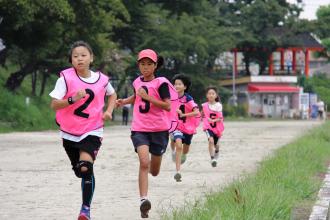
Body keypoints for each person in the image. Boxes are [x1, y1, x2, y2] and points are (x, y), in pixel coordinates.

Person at [49, 41, 117, 220]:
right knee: (80, 171)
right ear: (71, 60)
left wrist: (109, 111)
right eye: (75, 56)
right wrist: (72, 99)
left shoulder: (102, 79)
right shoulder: (65, 78)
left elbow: (112, 94)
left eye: (83, 55)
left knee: (86, 167)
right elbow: (54, 104)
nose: (79, 59)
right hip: (69, 131)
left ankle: (85, 209)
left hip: (93, 130)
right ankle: (84, 180)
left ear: (91, 58)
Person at [116, 49, 177, 218]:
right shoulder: (137, 82)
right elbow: (137, 97)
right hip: (140, 129)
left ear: (155, 66)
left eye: (149, 64)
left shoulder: (161, 83)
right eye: (142, 64)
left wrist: (148, 97)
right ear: (138, 65)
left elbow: (167, 106)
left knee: (154, 170)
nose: (145, 67)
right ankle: (144, 200)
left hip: (159, 130)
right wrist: (124, 101)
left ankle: (151, 172)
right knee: (144, 162)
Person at [170, 74, 200, 182]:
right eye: (175, 84)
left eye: (179, 84)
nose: (176, 86)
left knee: (185, 149)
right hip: (176, 126)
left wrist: (183, 115)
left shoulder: (188, 98)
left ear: (185, 87)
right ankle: (178, 172)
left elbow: (196, 111)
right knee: (178, 145)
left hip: (188, 127)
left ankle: (182, 154)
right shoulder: (171, 97)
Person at [201, 86, 224, 167]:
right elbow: (201, 115)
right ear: (207, 95)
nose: (211, 95)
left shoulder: (218, 105)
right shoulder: (204, 105)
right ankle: (212, 158)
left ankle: (217, 151)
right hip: (208, 127)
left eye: (213, 93)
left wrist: (213, 120)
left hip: (217, 128)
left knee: (216, 145)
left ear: (216, 95)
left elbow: (220, 118)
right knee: (211, 141)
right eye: (209, 94)